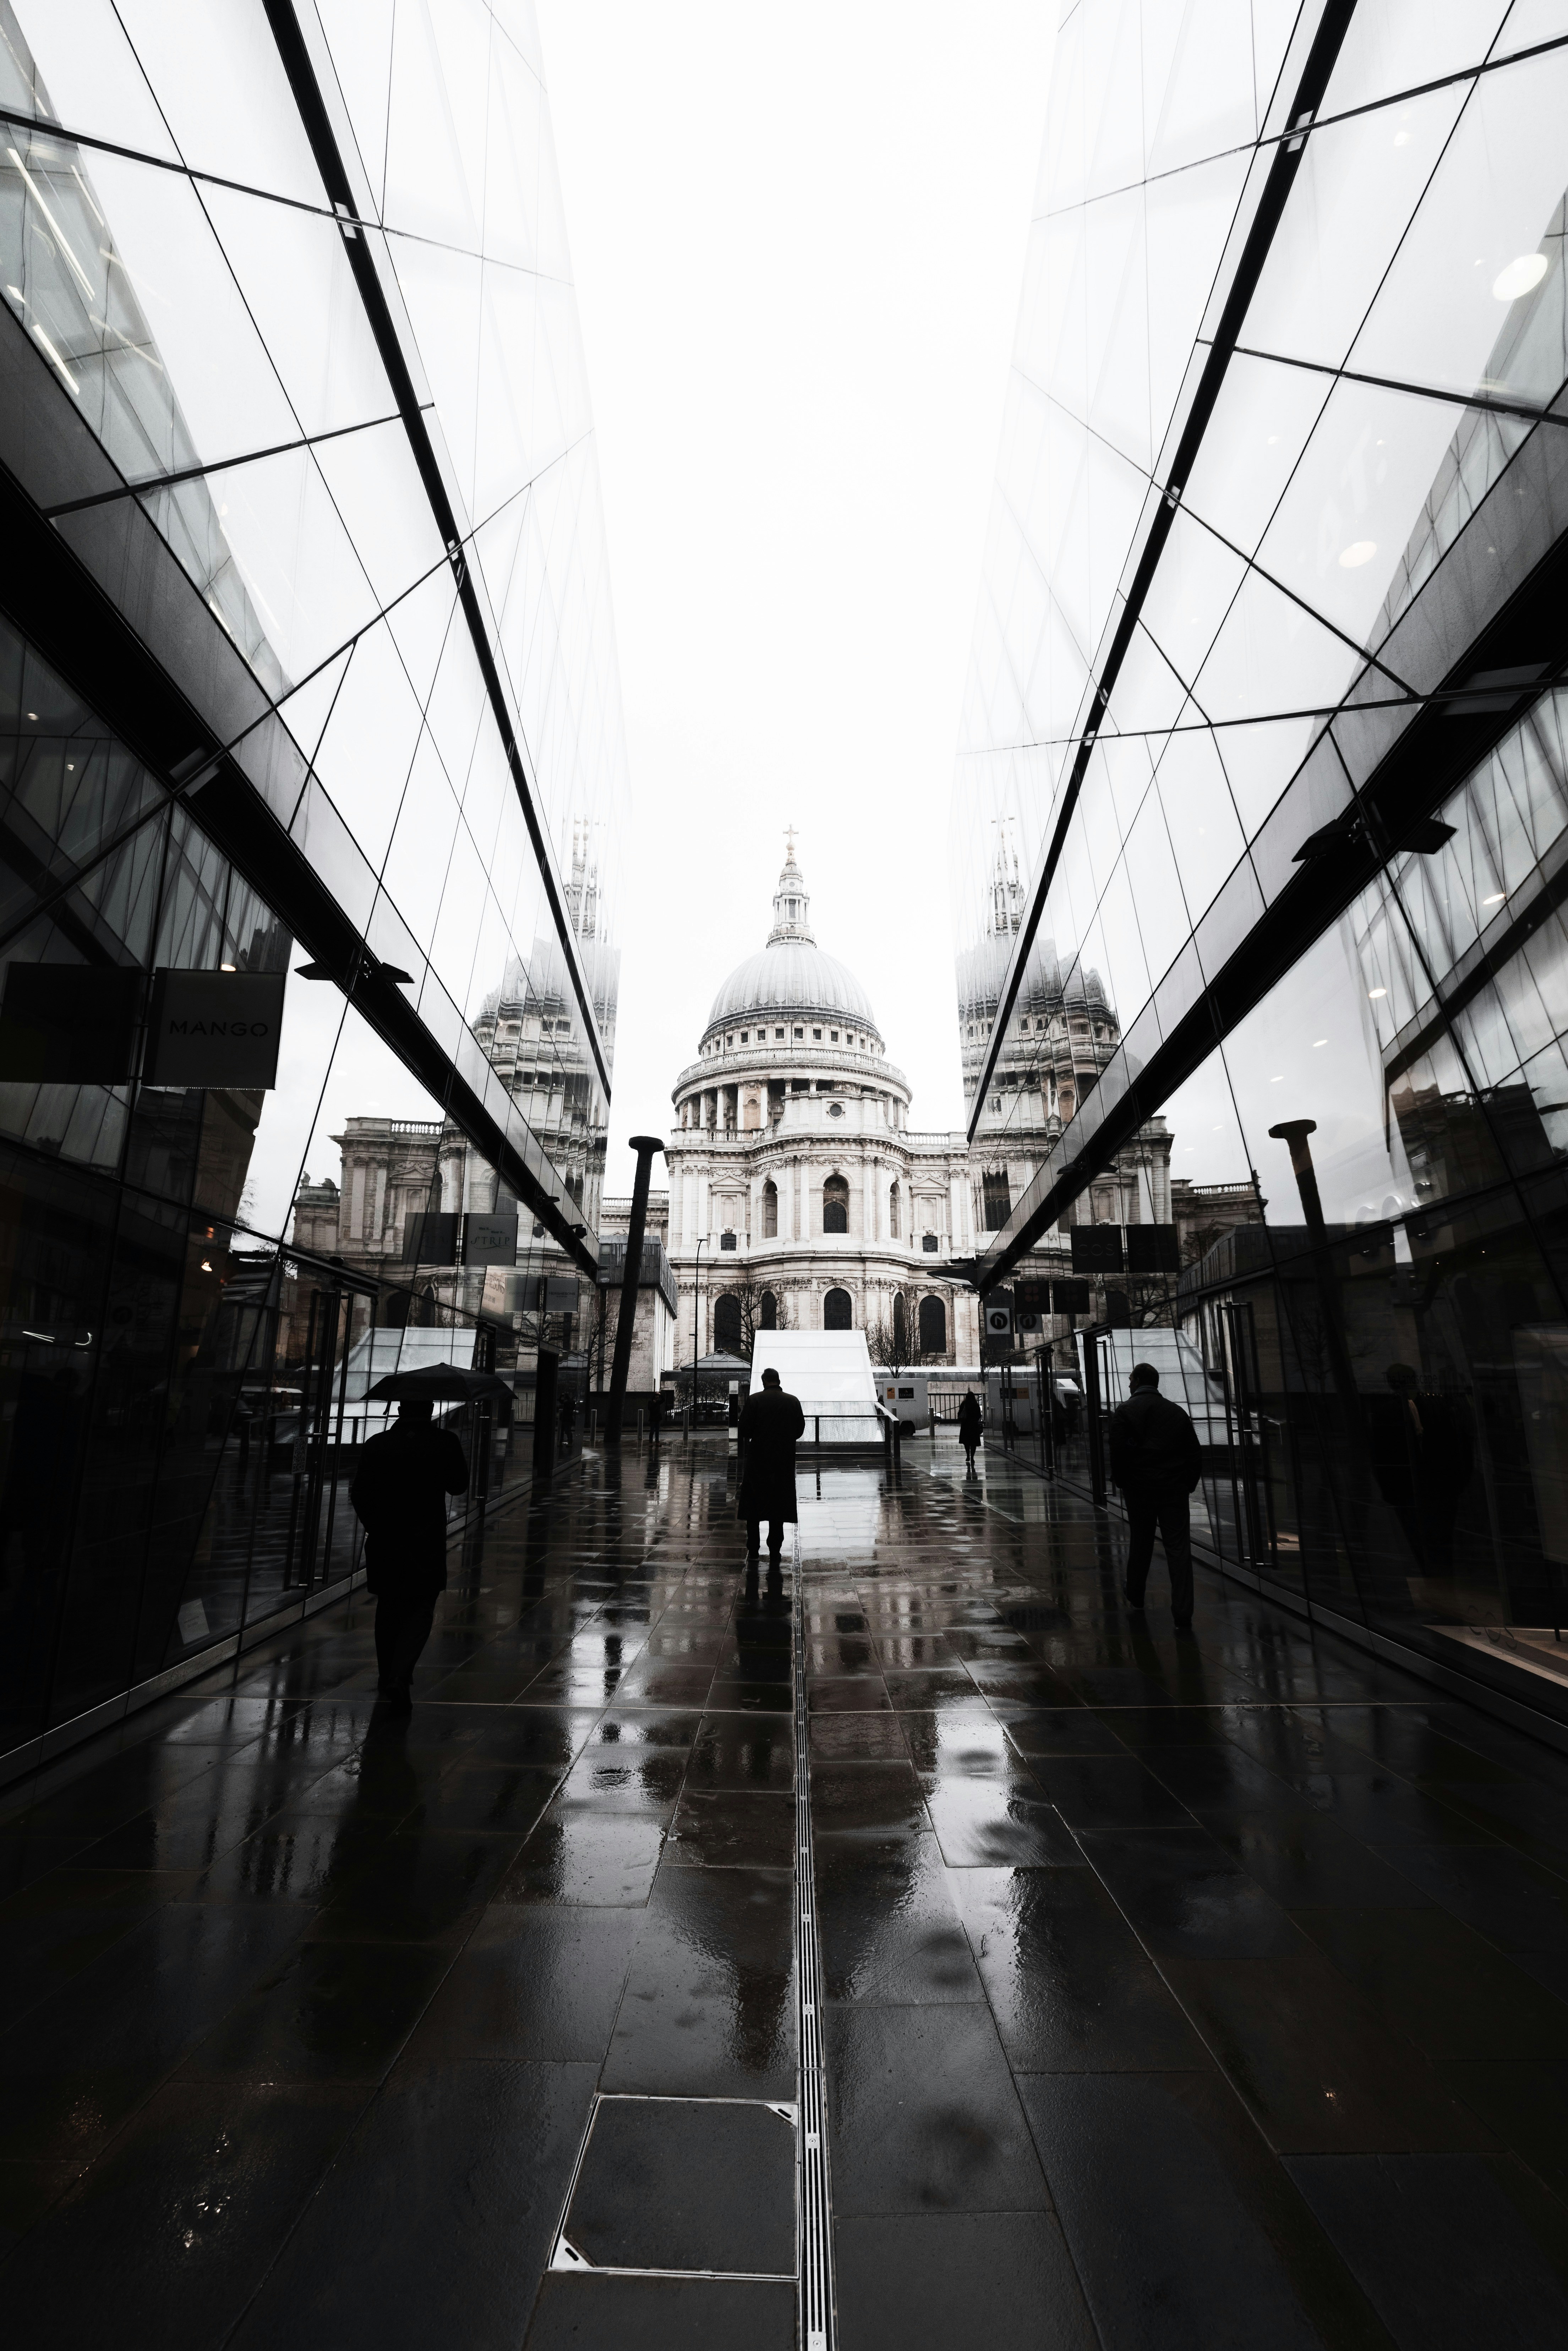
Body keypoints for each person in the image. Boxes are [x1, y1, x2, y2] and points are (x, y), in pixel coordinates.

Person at [349, 1399, 469, 1710]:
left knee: (389, 1605)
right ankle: (400, 1675)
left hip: (386, 1537)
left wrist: (376, 1524)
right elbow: (459, 1486)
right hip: (425, 1537)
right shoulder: (444, 1442)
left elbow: (360, 1491)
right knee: (421, 1605)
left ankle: (387, 1671)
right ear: (429, 1411)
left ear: (401, 1410)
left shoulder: (379, 1443)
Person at [1108, 1362, 1202, 1631]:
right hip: (1173, 1488)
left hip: (1140, 1489)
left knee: (1141, 1541)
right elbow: (1194, 1452)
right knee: (1178, 1548)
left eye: (1130, 1379)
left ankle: (1136, 1594)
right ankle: (1183, 1612)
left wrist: (1123, 1481)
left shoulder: (1126, 1411)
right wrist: (1188, 1484)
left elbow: (1118, 1452)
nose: (1128, 1384)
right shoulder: (1176, 1412)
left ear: (1137, 1381)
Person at [738, 1366, 804, 1564]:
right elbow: (799, 1429)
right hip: (783, 1461)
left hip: (758, 1460)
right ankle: (775, 1548)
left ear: (764, 1381)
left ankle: (754, 1547)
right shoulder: (792, 1401)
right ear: (778, 1380)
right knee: (778, 1505)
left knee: (755, 1505)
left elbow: (744, 1429)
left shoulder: (755, 1400)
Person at [957, 1389, 983, 1475]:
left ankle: (968, 1455)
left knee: (967, 1442)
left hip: (965, 1426)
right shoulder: (976, 1405)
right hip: (974, 1426)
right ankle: (972, 1457)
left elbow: (959, 1414)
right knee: (974, 1443)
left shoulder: (964, 1404)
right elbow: (979, 1415)